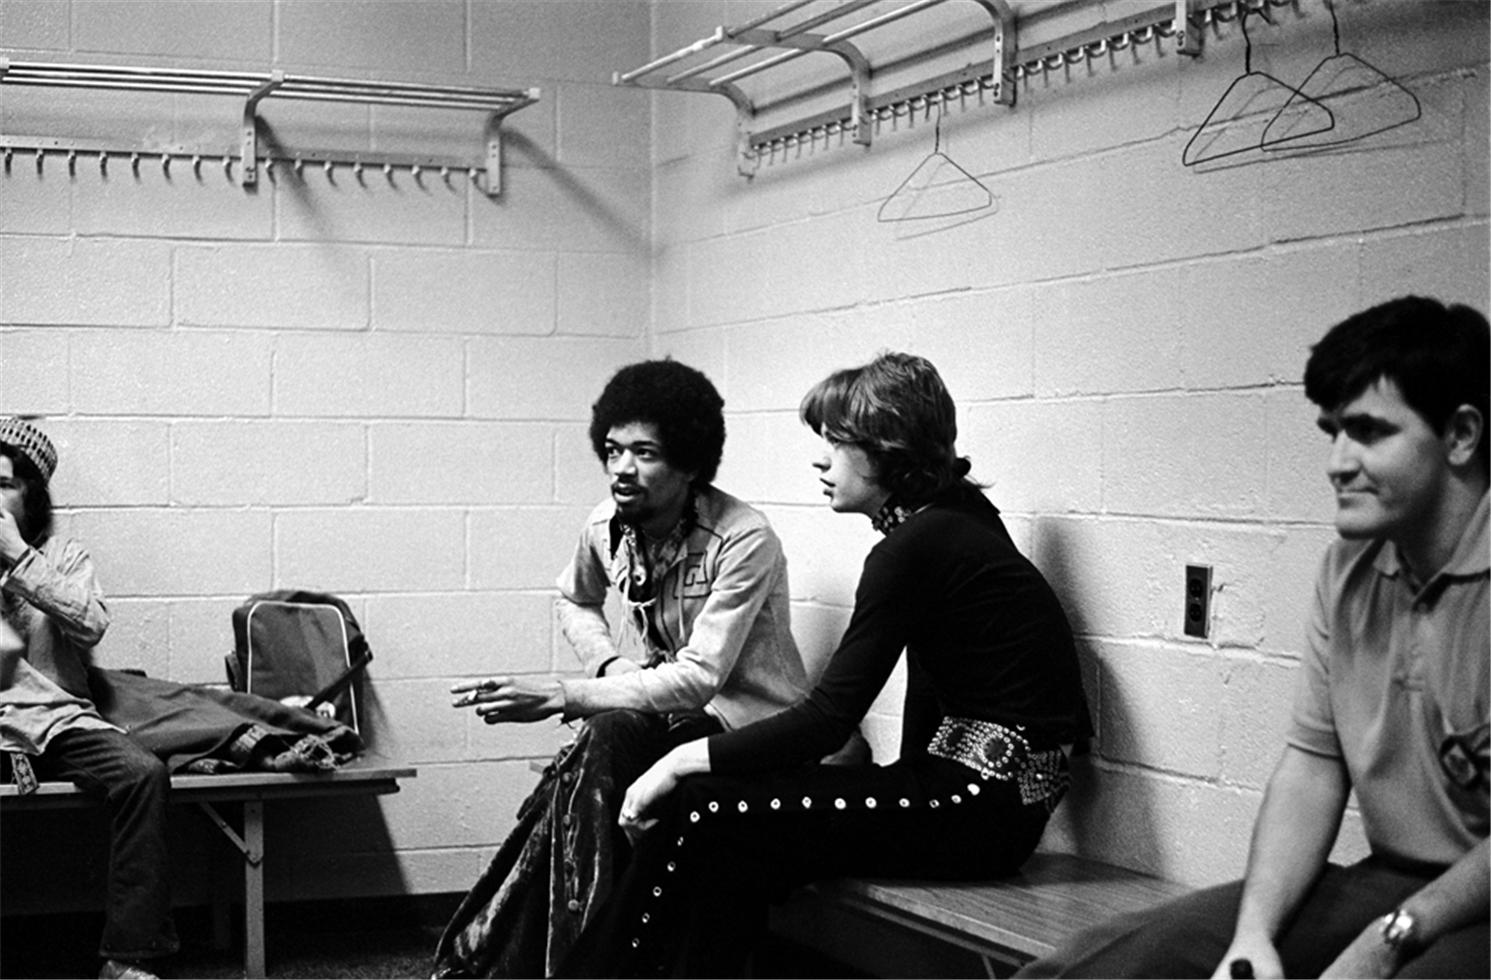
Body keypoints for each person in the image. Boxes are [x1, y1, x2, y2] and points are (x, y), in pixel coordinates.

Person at [558, 351, 1094, 978]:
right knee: (726, 840)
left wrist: (674, 762)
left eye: (837, 444)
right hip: (978, 804)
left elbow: (828, 719)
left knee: (701, 806)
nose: (820, 460)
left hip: (979, 810)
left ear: (888, 451)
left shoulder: (919, 545)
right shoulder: (953, 522)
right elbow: (931, 687)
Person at [1016, 295, 1490, 980]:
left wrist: (1388, 941)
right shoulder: (1347, 567)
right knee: (1103, 967)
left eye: (1367, 432)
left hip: (1466, 906)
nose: (1337, 460)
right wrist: (1252, 938)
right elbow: (1312, 768)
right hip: (1393, 880)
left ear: (1460, 435)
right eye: (1331, 432)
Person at [433, 359, 816, 978]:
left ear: (690, 464)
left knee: (658, 779)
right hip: (658, 711)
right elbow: (574, 597)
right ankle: (566, 951)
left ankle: (628, 959)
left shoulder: (745, 539)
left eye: (645, 453)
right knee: (601, 748)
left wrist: (566, 694)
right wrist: (607, 665)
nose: (621, 470)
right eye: (612, 450)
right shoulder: (603, 527)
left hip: (745, 723)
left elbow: (700, 679)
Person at [0, 417, 179, 980]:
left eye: (3, 483)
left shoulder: (64, 556)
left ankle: (127, 957)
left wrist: (16, 559)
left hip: (58, 721)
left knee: (142, 773)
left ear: (31, 493)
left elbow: (92, 623)